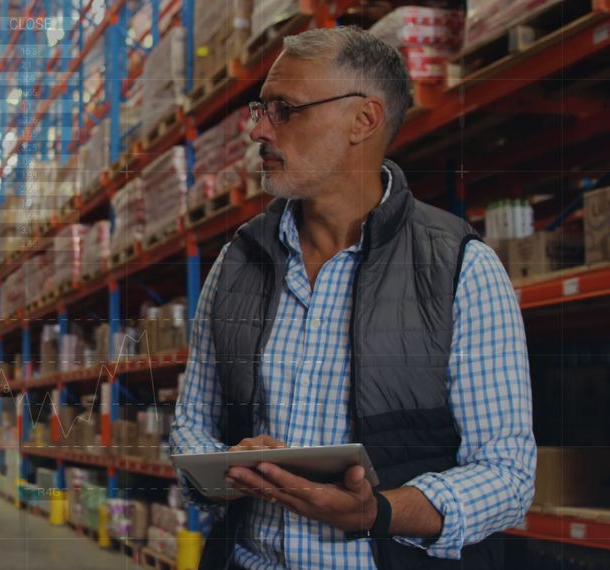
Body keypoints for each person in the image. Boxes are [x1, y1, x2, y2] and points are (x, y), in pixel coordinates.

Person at [171, 27, 535, 569]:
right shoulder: (237, 262)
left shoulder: (460, 269)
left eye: (284, 110)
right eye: (260, 109)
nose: (257, 130)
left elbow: (508, 475)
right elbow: (190, 425)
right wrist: (226, 465)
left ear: (363, 121)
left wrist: (381, 512)